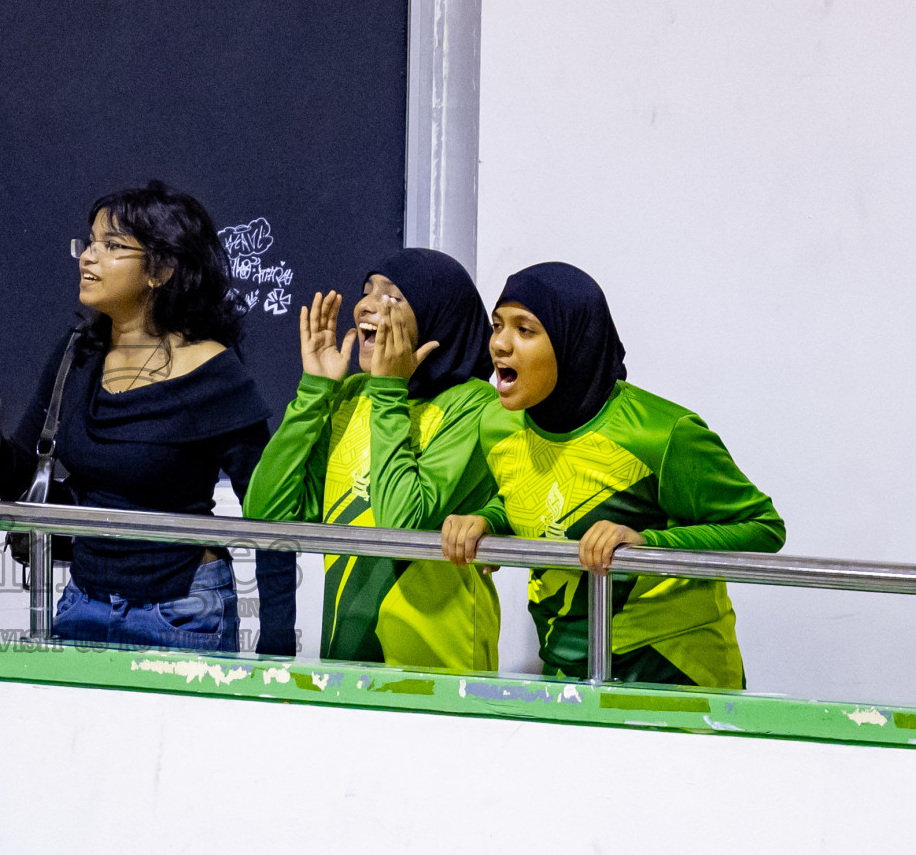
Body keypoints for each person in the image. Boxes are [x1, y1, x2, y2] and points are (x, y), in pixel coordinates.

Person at [0, 181, 294, 654]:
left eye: (111, 246)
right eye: (89, 243)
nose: (88, 257)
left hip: (184, 611)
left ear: (162, 269)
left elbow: (271, 514)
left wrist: (277, 650)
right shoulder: (78, 354)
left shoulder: (214, 373)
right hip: (82, 601)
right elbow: (28, 490)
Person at [440, 261, 785, 687]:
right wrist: (489, 518)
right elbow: (540, 494)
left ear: (572, 339)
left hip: (674, 673)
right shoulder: (497, 426)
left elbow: (763, 529)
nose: (500, 345)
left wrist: (646, 544)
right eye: (497, 326)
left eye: (525, 330)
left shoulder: (661, 434)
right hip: (566, 667)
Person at [245, 249, 513, 672]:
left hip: (442, 672)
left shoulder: (477, 407)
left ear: (437, 317)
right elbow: (265, 515)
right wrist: (314, 391)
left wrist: (390, 391)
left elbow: (401, 525)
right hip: (346, 666)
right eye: (367, 291)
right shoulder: (353, 397)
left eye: (392, 297)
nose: (366, 305)